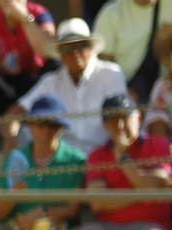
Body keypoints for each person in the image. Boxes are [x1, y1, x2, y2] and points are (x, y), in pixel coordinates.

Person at [66, 93, 172, 230]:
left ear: (139, 119)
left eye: (125, 118)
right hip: (106, 227)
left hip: (149, 225)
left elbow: (156, 184)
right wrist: (143, 191)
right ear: (105, 126)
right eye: (113, 121)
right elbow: (98, 203)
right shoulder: (97, 155)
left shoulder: (159, 145)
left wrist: (124, 160)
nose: (120, 126)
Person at [10, 20, 125, 153]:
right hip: (63, 159)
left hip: (103, 155)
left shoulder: (111, 74)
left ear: (90, 48)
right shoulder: (51, 81)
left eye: (81, 46)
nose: (75, 53)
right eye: (67, 48)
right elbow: (14, 114)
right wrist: (11, 144)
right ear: (60, 54)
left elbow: (122, 119)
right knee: (26, 132)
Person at [0, 96, 83, 230]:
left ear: (61, 128)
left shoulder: (75, 160)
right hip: (19, 229)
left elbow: (73, 210)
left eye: (53, 124)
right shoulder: (15, 159)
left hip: (57, 229)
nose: (46, 129)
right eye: (40, 123)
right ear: (30, 125)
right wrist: (12, 196)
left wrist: (41, 213)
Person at [0, 0, 56, 123]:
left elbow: (48, 51)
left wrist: (25, 18)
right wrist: (2, 67)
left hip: (35, 83)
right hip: (5, 85)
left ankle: (44, 126)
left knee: (54, 66)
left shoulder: (40, 14)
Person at [94, 0, 167, 103]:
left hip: (165, 94)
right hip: (124, 95)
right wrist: (122, 92)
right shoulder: (111, 12)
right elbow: (103, 62)